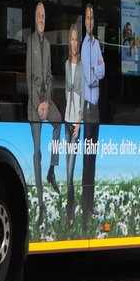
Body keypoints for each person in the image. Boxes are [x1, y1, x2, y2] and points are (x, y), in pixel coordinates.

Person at [27, 1, 62, 224]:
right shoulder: (30, 42)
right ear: (34, 18)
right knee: (37, 152)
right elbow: (28, 77)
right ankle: (39, 204)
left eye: (44, 17)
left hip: (45, 103)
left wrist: (47, 102)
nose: (41, 20)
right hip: (33, 106)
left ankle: (52, 170)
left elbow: (49, 76)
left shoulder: (48, 45)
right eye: (39, 16)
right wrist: (37, 104)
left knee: (59, 122)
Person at [80, 0, 105, 232]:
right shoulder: (84, 46)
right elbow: (90, 77)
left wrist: (96, 71)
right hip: (87, 106)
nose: (90, 22)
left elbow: (101, 70)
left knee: (93, 158)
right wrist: (95, 71)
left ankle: (90, 202)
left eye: (92, 18)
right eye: (87, 18)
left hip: (95, 108)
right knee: (86, 159)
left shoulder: (96, 44)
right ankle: (85, 205)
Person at [62, 23, 84, 225]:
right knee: (66, 169)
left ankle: (70, 211)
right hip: (66, 121)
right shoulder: (67, 65)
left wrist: (79, 122)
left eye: (77, 39)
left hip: (75, 122)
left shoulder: (82, 66)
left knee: (70, 169)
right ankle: (70, 211)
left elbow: (83, 96)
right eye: (72, 39)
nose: (74, 42)